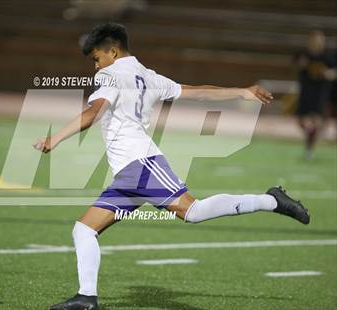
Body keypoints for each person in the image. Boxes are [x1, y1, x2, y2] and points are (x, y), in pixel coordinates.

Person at [33, 23, 310, 310]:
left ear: (112, 51)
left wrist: (56, 138)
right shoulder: (147, 75)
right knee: (83, 230)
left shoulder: (111, 76)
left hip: (140, 165)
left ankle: (271, 200)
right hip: (129, 175)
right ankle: (86, 298)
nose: (95, 67)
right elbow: (196, 91)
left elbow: (93, 112)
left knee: (193, 212)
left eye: (96, 59)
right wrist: (240, 91)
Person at [294, 31, 334, 159]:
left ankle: (309, 149)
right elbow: (296, 67)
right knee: (300, 121)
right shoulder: (304, 54)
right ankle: (311, 134)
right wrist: (302, 64)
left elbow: (333, 72)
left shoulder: (328, 56)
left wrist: (328, 73)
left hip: (320, 92)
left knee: (316, 120)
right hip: (305, 91)